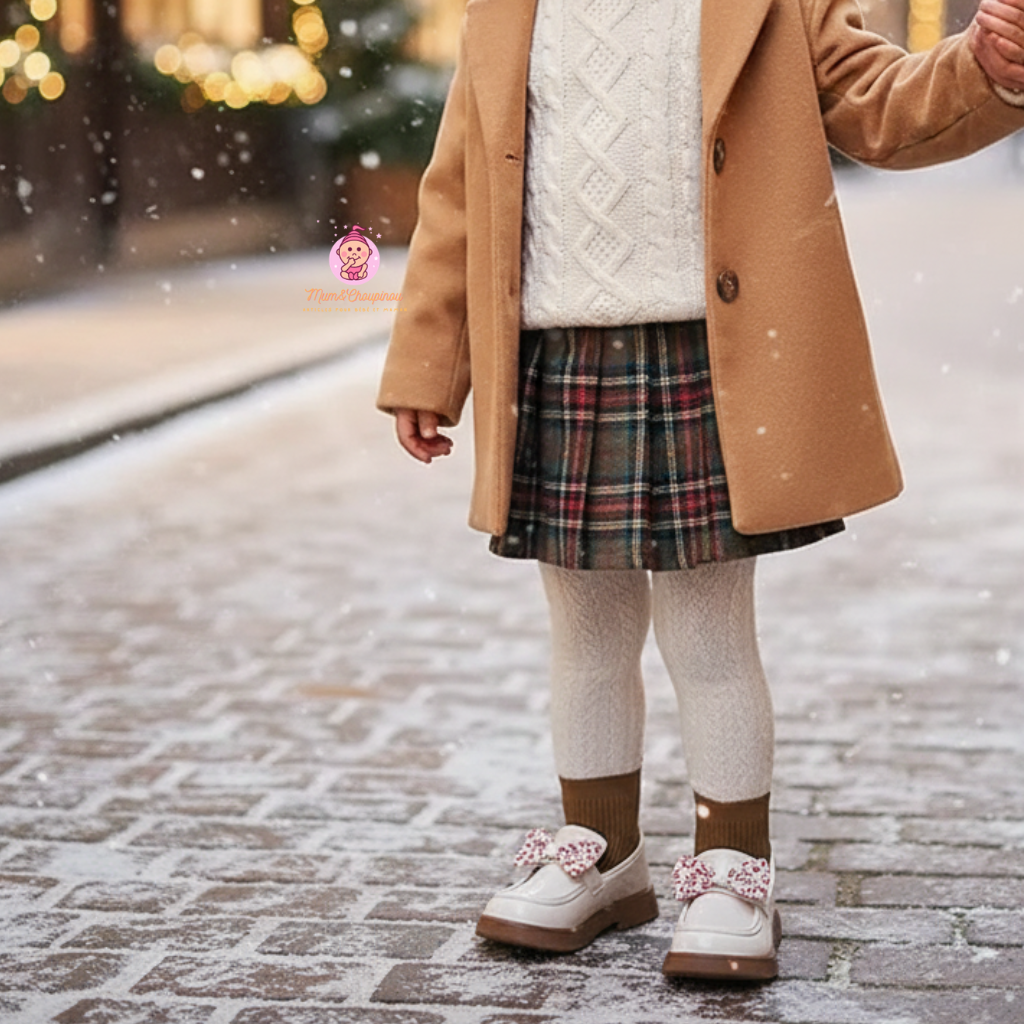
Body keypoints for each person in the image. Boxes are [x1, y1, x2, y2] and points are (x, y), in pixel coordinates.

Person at [376, 0, 1024, 982]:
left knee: (707, 631)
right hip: (554, 349)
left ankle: (731, 866)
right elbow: (459, 185)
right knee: (584, 626)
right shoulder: (506, 10)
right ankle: (603, 854)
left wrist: (984, 68)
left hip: (709, 350)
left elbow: (882, 107)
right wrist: (431, 363)